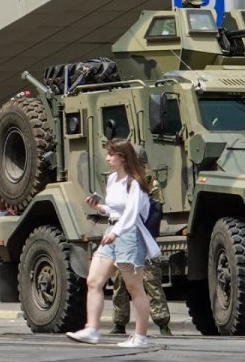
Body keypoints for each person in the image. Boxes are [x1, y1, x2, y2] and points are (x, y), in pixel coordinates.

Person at [66, 139, 159, 348]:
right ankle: (92, 329)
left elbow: (132, 213)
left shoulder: (135, 183)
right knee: (93, 280)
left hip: (129, 234)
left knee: (134, 287)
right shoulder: (112, 179)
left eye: (111, 154)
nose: (107, 158)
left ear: (122, 157)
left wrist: (116, 233)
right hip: (112, 230)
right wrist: (99, 208)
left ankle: (140, 337)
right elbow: (115, 209)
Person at [110, 145, 171, 336]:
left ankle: (162, 323)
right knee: (120, 281)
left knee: (151, 281)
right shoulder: (120, 180)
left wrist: (147, 235)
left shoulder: (149, 183)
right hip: (124, 238)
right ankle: (119, 323)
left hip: (141, 236)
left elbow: (155, 211)